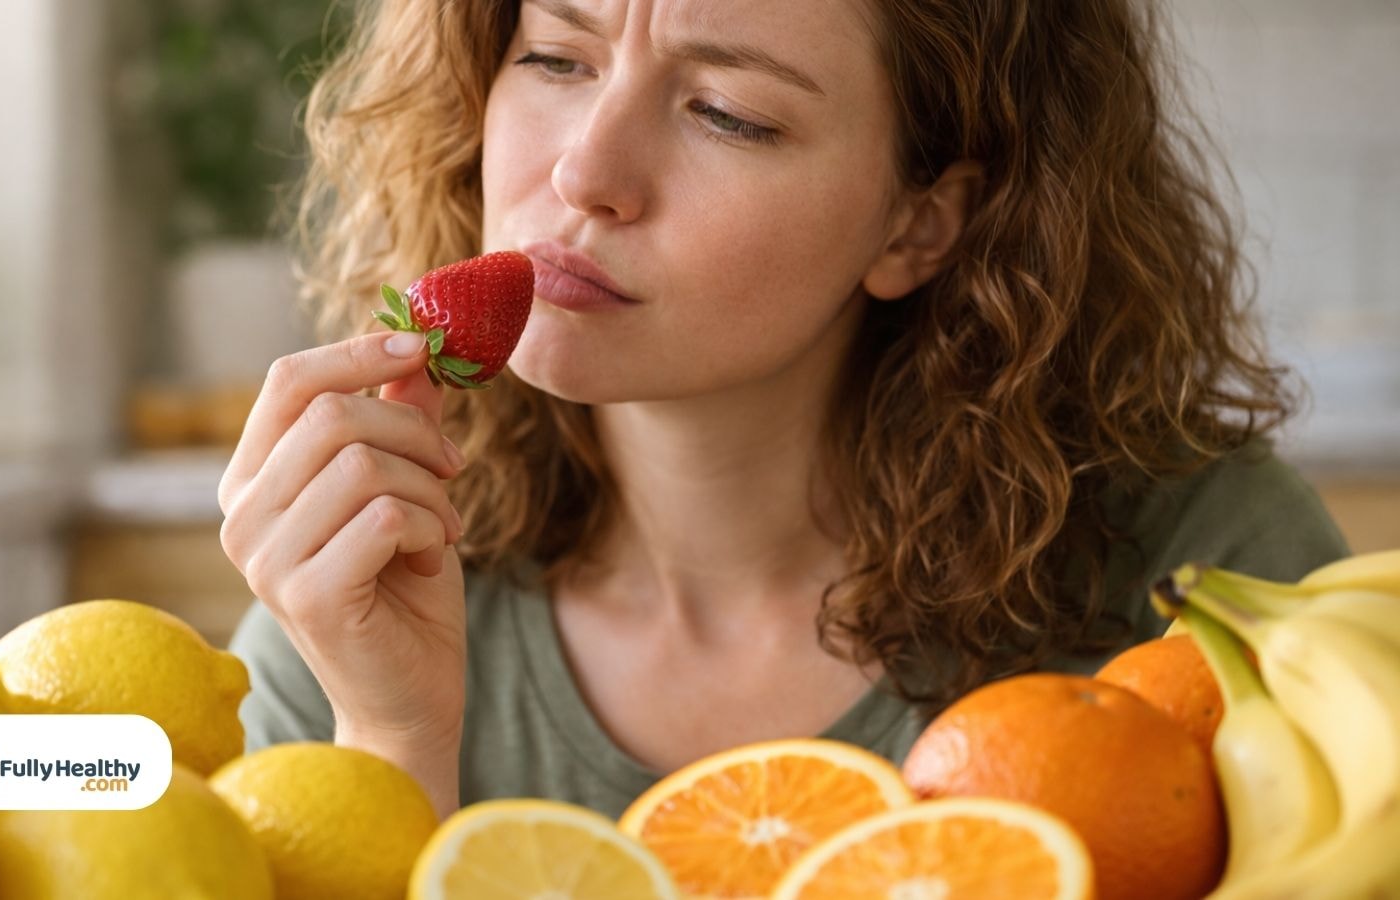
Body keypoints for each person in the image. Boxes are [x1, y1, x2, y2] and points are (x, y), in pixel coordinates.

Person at [217, 0, 1348, 820]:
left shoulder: (1211, 575)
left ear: (922, 225)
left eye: (727, 114)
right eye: (557, 57)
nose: (584, 172)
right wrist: (395, 740)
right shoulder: (357, 586)